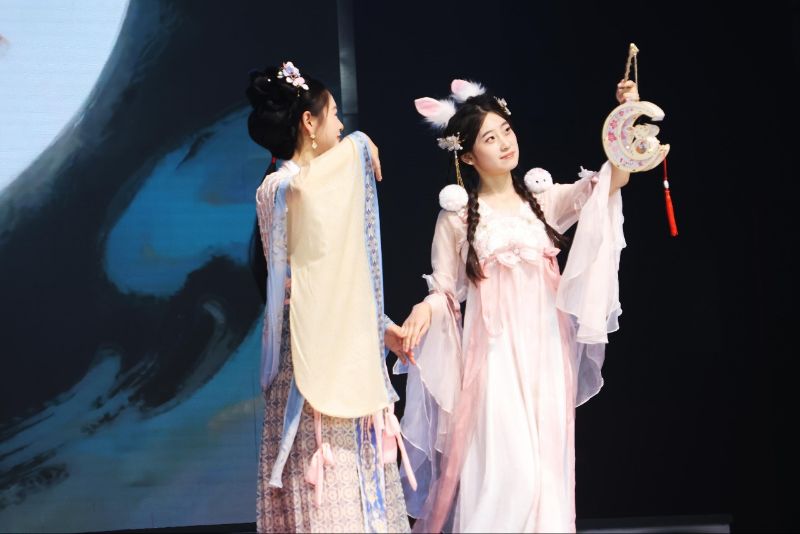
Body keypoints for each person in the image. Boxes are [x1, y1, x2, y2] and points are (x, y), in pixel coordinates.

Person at [395, 78, 638, 532]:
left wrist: (625, 116)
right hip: (495, 357)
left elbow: (612, 181)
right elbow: (444, 288)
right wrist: (425, 309)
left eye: (506, 130)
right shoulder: (457, 216)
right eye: (490, 138)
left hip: (546, 352)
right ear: (468, 156)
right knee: (509, 473)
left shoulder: (544, 199)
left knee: (546, 471)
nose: (506, 143)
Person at [247, 61, 412, 533]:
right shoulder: (280, 188)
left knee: (361, 488)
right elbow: (312, 198)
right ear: (308, 122)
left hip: (345, 351)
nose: (340, 126)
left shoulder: (315, 185)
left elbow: (340, 277)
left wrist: (382, 327)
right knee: (327, 493)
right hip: (309, 356)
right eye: (334, 114)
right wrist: (359, 145)